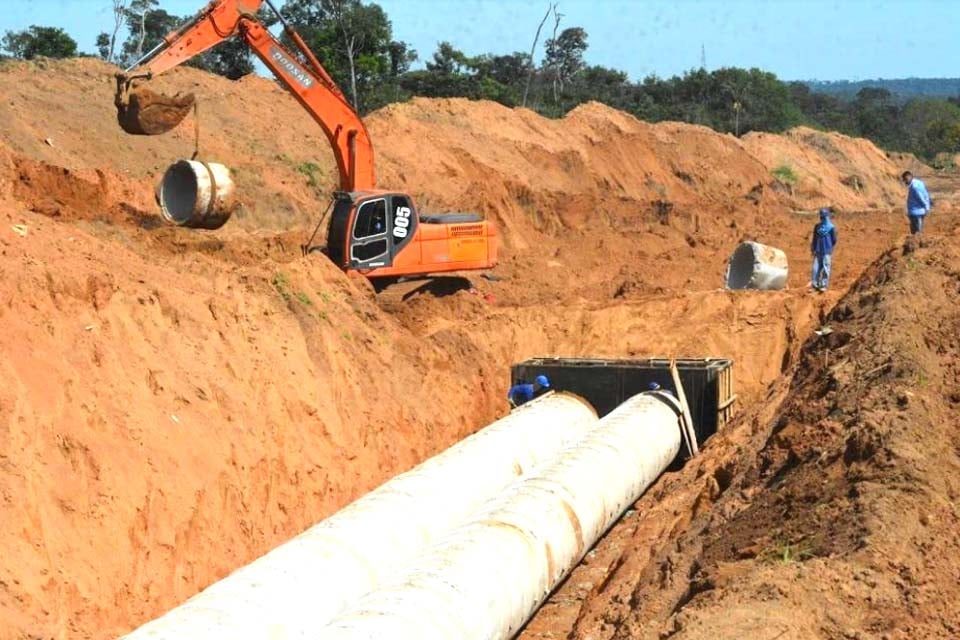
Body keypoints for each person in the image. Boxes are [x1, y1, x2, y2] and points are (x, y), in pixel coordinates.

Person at [810, 207, 838, 292]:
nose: (822, 218)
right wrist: (813, 248)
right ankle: (815, 285)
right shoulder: (817, 227)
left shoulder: (831, 228)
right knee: (815, 269)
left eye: (824, 217)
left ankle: (824, 285)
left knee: (826, 268)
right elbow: (814, 238)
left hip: (826, 251)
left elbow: (834, 240)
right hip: (818, 251)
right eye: (821, 217)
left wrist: (829, 247)